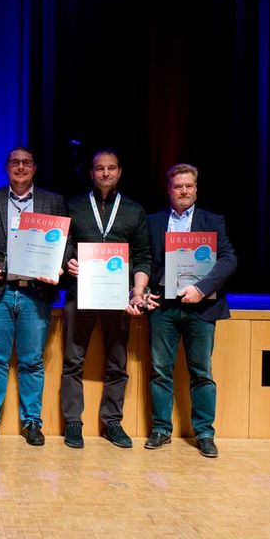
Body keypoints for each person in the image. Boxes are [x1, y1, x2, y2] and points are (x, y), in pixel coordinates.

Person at [0, 146, 67, 447]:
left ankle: (32, 422)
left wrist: (59, 266)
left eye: (26, 162)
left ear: (34, 168)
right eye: (15, 162)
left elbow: (66, 243)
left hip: (35, 293)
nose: (21, 167)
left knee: (32, 362)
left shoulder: (53, 201)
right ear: (7, 167)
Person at [61, 149, 153, 449]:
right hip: (81, 294)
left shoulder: (134, 210)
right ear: (91, 173)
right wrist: (67, 262)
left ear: (120, 172)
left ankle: (112, 421)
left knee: (117, 363)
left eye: (111, 168)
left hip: (118, 296)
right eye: (99, 168)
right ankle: (73, 422)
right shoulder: (74, 206)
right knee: (73, 362)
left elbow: (143, 256)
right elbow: (63, 246)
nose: (105, 173)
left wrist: (138, 290)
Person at [144, 163, 237, 457]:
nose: (183, 191)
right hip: (163, 307)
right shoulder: (154, 221)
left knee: (201, 373)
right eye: (178, 186)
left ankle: (205, 433)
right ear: (169, 190)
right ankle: (161, 429)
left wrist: (201, 288)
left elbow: (229, 259)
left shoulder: (213, 221)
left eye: (188, 186)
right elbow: (144, 259)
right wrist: (142, 291)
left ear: (196, 189)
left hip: (201, 307)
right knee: (160, 371)